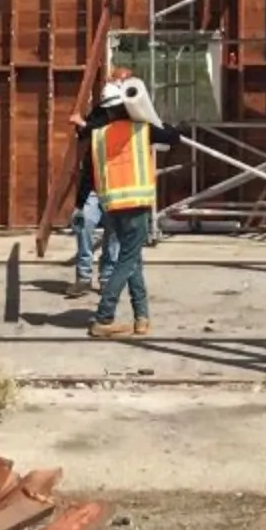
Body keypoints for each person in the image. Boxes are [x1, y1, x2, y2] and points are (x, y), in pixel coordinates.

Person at [84, 77, 184, 338]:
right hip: (135, 204)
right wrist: (156, 118)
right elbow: (174, 138)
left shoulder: (98, 135)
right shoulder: (141, 129)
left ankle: (142, 317)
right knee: (127, 260)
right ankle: (104, 316)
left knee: (133, 260)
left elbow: (90, 170)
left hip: (112, 206)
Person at [67, 67, 135, 294]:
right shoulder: (102, 110)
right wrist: (82, 125)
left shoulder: (130, 111)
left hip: (117, 185)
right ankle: (84, 277)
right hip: (95, 183)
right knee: (84, 223)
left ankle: (107, 277)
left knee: (113, 234)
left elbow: (108, 124)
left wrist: (84, 124)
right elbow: (90, 131)